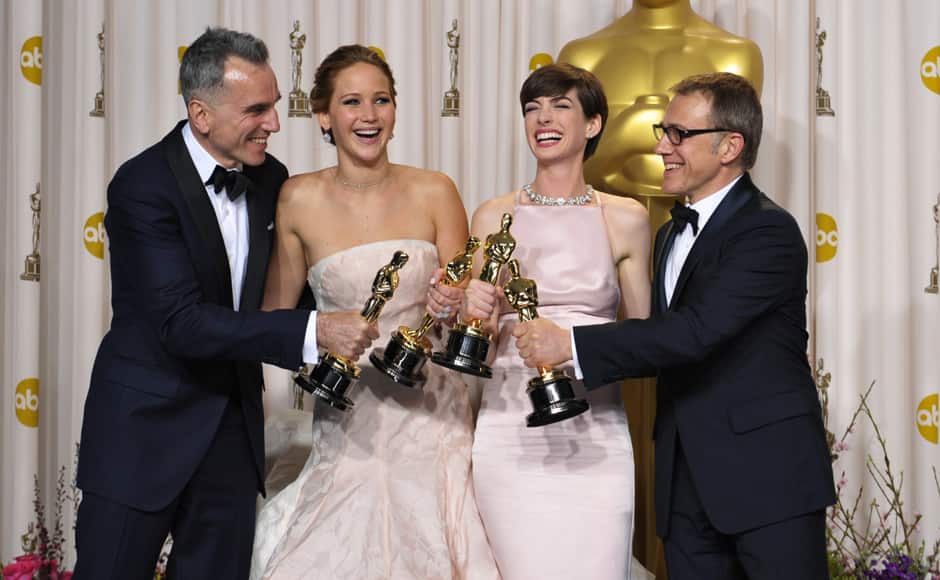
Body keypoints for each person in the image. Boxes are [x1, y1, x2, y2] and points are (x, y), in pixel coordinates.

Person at [72, 28, 376, 580]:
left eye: (276, 105)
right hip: (142, 435)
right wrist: (316, 331)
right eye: (256, 110)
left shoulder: (271, 179)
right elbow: (180, 323)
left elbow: (289, 289)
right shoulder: (142, 185)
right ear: (201, 114)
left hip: (232, 439)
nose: (275, 124)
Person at [514, 72, 836, 579]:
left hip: (768, 480)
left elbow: (693, 333)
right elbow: (659, 343)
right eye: (663, 131)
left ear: (730, 145)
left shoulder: (767, 230)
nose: (662, 146)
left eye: (678, 134)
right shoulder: (667, 232)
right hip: (684, 485)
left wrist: (569, 342)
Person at [250, 44, 498, 579]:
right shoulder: (297, 198)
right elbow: (274, 320)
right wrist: (322, 348)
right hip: (349, 419)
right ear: (323, 114)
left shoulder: (435, 190)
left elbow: (467, 313)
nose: (369, 116)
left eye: (381, 100)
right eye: (352, 102)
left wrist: (454, 302)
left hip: (433, 420)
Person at [460, 63, 651, 579]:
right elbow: (471, 329)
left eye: (560, 105)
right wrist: (466, 304)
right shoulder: (491, 215)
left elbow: (644, 339)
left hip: (596, 432)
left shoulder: (626, 216)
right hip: (508, 427)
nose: (542, 118)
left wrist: (568, 341)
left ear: (593, 125)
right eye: (532, 108)